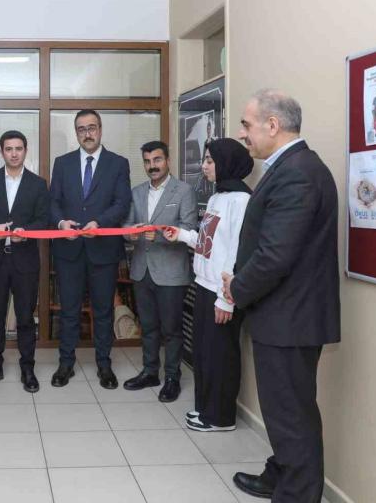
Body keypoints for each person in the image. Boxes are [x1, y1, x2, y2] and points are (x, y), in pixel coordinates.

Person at [222, 90, 340, 502]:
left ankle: (297, 494)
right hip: (285, 315)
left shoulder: (298, 173)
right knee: (284, 410)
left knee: (291, 416)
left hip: (291, 318)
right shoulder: (290, 167)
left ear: (272, 125)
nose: (242, 133)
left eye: (246, 125)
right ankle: (280, 474)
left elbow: (275, 255)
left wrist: (236, 287)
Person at [163, 137, 253, 431]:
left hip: (222, 291)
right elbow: (207, 242)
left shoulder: (242, 201)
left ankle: (221, 417)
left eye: (210, 161)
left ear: (226, 163)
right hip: (203, 284)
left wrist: (227, 298)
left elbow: (238, 252)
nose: (204, 166)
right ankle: (205, 409)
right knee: (204, 352)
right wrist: (180, 234)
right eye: (204, 160)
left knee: (221, 355)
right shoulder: (217, 197)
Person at [49, 109, 131, 389]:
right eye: (82, 129)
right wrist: (61, 223)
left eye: (92, 127)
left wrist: (100, 222)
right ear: (76, 133)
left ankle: (104, 365)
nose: (87, 133)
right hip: (69, 250)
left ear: (100, 129)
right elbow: (53, 202)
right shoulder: (62, 163)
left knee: (103, 310)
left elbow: (122, 203)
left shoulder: (118, 163)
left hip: (103, 249)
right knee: (69, 310)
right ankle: (66, 364)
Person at [0, 131, 49, 393]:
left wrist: (26, 232)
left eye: (18, 148)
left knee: (26, 318)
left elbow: (44, 219)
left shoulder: (38, 184)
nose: (14, 153)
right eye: (9, 149)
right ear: (1, 152)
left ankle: (28, 369)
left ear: (25, 151)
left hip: (25, 261)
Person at [122, 141, 197, 402]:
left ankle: (172, 378)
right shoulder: (137, 192)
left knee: (172, 330)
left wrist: (161, 236)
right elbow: (127, 225)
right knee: (148, 326)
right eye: (147, 161)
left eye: (157, 160)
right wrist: (131, 235)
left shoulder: (184, 191)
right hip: (142, 270)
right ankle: (150, 372)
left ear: (167, 160)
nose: (152, 166)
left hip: (171, 273)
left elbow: (190, 229)